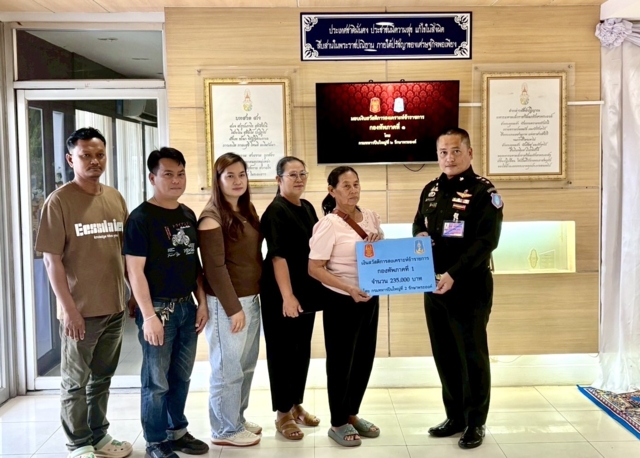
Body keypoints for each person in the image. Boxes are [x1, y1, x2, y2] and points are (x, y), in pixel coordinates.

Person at [35, 127, 133, 458]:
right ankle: (77, 444)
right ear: (70, 159)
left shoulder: (114, 197)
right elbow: (51, 261)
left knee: (101, 379)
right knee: (75, 382)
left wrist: (131, 295)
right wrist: (69, 310)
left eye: (99, 154)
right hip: (81, 312)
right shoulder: (59, 201)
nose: (94, 161)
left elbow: (125, 253)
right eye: (86, 155)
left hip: (115, 308)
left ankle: (99, 436)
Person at [412, 127, 503, 449]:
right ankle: (455, 416)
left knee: (472, 354)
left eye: (455, 151)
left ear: (469, 153)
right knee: (445, 354)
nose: (448, 158)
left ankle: (475, 422)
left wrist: (454, 273)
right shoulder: (431, 189)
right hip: (433, 285)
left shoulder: (483, 192)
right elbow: (418, 222)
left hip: (469, 286)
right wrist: (419, 235)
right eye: (443, 152)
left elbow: (486, 242)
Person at [124, 147, 209, 458]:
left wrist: (201, 303)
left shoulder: (186, 214)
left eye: (181, 174)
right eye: (168, 174)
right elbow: (134, 271)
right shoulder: (141, 218)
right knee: (156, 381)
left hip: (187, 307)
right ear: (152, 178)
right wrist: (149, 316)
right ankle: (156, 440)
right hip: (158, 309)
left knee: (181, 377)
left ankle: (177, 432)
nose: (176, 180)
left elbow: (193, 263)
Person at [308, 166, 383, 447]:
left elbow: (380, 254)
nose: (353, 190)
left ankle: (352, 413)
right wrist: (349, 288)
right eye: (346, 186)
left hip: (370, 297)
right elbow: (314, 268)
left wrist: (379, 243)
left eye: (356, 184)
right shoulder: (329, 224)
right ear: (332, 191)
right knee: (341, 362)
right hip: (341, 299)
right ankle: (338, 422)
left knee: (364, 358)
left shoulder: (371, 217)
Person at [198, 152, 263, 447]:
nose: (238, 181)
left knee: (245, 366)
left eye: (242, 175)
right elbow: (214, 269)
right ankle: (225, 429)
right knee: (227, 370)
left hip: (250, 300)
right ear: (218, 180)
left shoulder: (246, 209)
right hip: (228, 304)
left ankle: (236, 417)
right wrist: (233, 308)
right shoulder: (211, 218)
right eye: (230, 176)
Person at [260, 156, 322, 441]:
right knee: (282, 353)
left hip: (306, 292)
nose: (298, 179)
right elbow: (278, 257)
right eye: (292, 175)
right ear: (279, 180)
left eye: (302, 174)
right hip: (281, 295)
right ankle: (282, 413)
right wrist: (287, 296)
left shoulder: (307, 207)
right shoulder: (275, 211)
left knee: (300, 351)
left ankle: (296, 404)